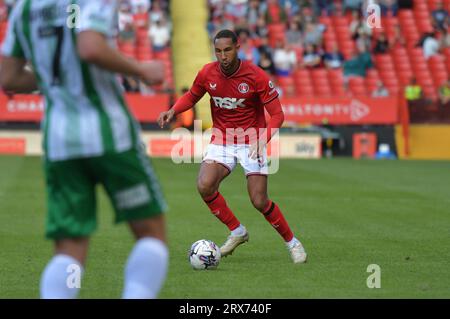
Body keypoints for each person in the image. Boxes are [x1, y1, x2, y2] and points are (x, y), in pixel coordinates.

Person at [0, 0, 168, 299]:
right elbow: (90, 47)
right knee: (150, 234)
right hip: (109, 134)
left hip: (60, 141)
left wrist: (54, 75)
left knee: (69, 249)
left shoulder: (24, 9)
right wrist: (142, 69)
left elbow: (8, 77)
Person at [157, 30, 307, 264]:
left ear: (237, 48)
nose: (223, 56)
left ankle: (293, 243)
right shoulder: (207, 73)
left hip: (251, 140)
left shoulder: (255, 76)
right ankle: (237, 231)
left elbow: (278, 115)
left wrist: (262, 139)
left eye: (227, 50)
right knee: (204, 185)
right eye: (218, 51)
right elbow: (192, 95)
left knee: (259, 201)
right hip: (222, 140)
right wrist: (173, 110)